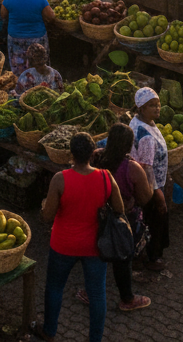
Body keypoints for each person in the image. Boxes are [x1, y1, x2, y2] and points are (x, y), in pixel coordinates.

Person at [36, 131, 124, 342]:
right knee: (97, 294)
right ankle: (94, 339)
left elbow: (47, 217)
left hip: (63, 244)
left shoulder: (60, 179)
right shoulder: (105, 177)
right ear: (93, 153)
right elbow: (120, 209)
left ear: (71, 154)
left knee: (55, 288)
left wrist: (43, 209)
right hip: (95, 247)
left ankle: (49, 331)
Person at [92, 124, 153, 312]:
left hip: (98, 215)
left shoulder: (95, 157)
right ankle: (127, 299)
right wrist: (149, 175)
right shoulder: (132, 169)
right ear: (129, 146)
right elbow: (145, 198)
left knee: (96, 254)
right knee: (122, 258)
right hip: (122, 220)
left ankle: (90, 292)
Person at [130, 87, 169, 271]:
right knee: (154, 220)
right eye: (151, 105)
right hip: (150, 186)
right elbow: (147, 168)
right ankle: (152, 258)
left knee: (147, 220)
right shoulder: (144, 134)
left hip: (148, 184)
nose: (157, 108)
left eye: (158, 104)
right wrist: (157, 193)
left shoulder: (141, 123)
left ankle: (145, 255)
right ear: (141, 108)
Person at [2, 0, 57, 76]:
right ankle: (40, 84)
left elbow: (3, 15)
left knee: (19, 67)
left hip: (16, 38)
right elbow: (51, 16)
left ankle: (21, 84)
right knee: (39, 66)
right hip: (37, 38)